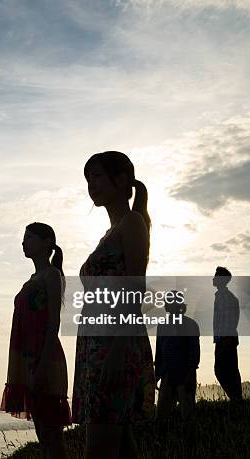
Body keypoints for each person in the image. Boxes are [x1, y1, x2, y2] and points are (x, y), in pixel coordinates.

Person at [72, 151, 155, 459]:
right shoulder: (112, 230)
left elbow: (136, 289)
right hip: (97, 345)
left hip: (114, 344)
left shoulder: (132, 223)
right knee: (120, 446)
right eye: (87, 179)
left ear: (121, 180)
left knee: (101, 446)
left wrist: (118, 348)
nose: (90, 185)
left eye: (96, 176)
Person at [0, 222, 71, 459]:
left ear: (46, 242)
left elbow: (54, 324)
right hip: (29, 359)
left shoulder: (50, 275)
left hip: (45, 358)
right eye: (24, 238)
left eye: (29, 238)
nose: (23, 242)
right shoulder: (34, 277)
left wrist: (42, 365)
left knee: (52, 436)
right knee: (43, 435)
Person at [155, 291, 200, 454]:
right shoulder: (162, 325)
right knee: (161, 414)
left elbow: (194, 352)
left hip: (184, 374)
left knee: (187, 414)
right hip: (168, 375)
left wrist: (190, 374)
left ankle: (190, 447)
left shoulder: (190, 325)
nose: (167, 305)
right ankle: (162, 445)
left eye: (170, 302)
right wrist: (157, 376)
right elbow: (159, 353)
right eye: (167, 302)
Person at [212, 266, 243, 401]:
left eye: (216, 276)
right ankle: (236, 399)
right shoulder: (221, 296)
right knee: (225, 369)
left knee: (225, 370)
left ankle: (236, 399)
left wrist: (226, 339)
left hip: (226, 339)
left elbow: (230, 320)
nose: (213, 278)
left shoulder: (227, 298)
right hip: (222, 338)